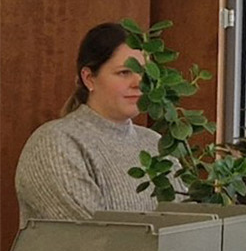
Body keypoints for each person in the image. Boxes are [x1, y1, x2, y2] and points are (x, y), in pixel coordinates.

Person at [15, 22, 161, 225]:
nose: (138, 83)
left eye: (145, 73)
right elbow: (93, 234)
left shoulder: (156, 143)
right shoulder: (54, 143)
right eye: (124, 72)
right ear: (89, 78)